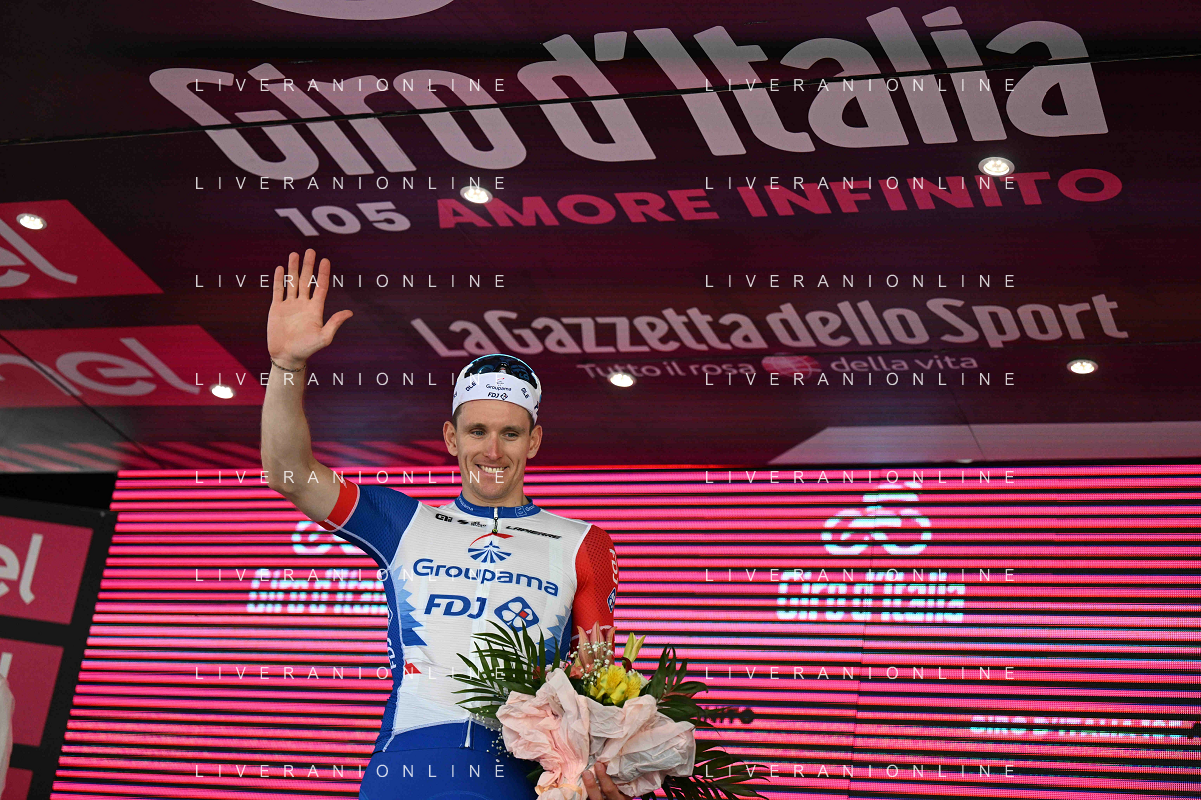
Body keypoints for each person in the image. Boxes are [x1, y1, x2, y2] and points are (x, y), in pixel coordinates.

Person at [261, 249, 630, 800]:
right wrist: (288, 367)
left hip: (519, 775)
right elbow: (288, 474)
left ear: (533, 442)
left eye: (510, 434)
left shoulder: (582, 542)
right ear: (452, 438)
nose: (492, 451)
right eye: (477, 431)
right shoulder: (404, 521)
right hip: (405, 766)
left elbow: (597, 683)